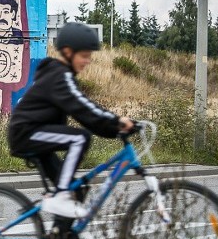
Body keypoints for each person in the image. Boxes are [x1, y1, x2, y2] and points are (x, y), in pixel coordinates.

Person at [8, 22, 133, 220]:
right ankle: (61, 197)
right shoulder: (60, 76)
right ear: (68, 52)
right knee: (80, 139)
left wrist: (112, 125)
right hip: (27, 133)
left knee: (77, 189)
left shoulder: (60, 76)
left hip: (36, 136)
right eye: (84, 55)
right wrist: (116, 122)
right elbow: (82, 107)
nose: (88, 61)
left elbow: (85, 107)